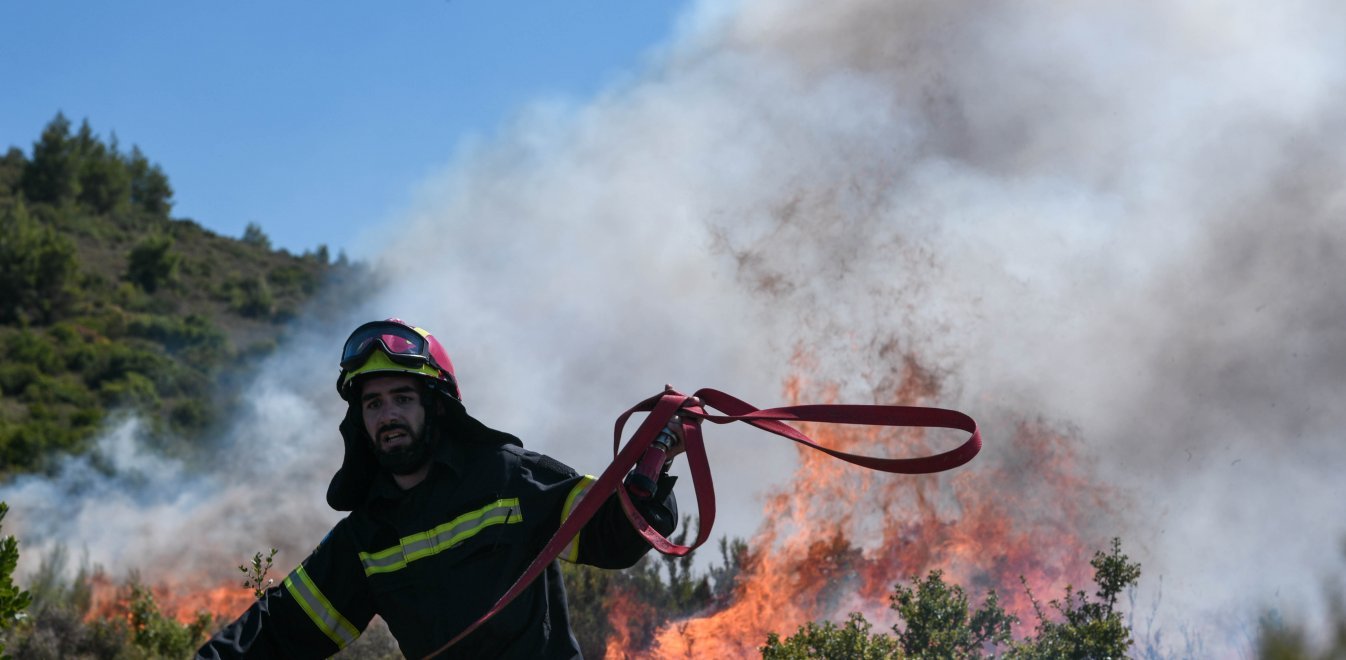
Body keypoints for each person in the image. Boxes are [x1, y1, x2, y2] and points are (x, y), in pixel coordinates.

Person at [197, 318, 681, 659]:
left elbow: (614, 537)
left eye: (402, 398)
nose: (387, 416)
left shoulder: (510, 477)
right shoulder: (367, 536)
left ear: (437, 407)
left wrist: (654, 466)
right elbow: (281, 632)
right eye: (373, 404)